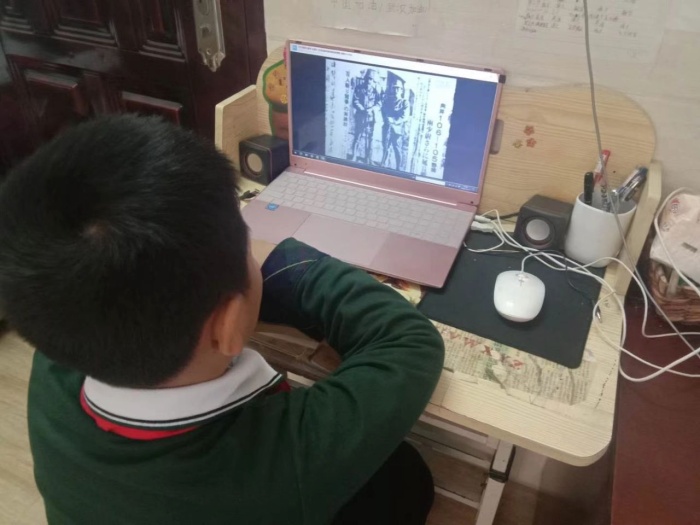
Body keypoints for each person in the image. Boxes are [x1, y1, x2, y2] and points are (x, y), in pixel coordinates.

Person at [0, 115, 445, 524]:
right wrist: (285, 261)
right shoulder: (287, 461)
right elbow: (409, 342)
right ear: (228, 326)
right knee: (405, 478)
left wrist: (225, 275)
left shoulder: (57, 358)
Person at [347, 68, 382, 164]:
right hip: (360, 116)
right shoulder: (359, 88)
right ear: (365, 79)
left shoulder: (376, 91)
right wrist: (362, 109)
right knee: (357, 136)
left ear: (373, 80)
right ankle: (354, 156)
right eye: (367, 78)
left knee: (370, 139)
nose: (368, 81)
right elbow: (355, 101)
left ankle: (368, 159)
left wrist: (372, 109)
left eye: (370, 79)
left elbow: (379, 103)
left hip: (371, 118)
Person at [381, 73, 410, 170]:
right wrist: (386, 119)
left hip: (397, 129)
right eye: (394, 88)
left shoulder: (404, 102)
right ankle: (382, 165)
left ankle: (398, 168)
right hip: (386, 127)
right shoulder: (388, 100)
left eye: (398, 88)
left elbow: (404, 117)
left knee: (396, 148)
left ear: (401, 90)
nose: (396, 90)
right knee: (385, 146)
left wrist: (393, 120)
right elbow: (383, 110)